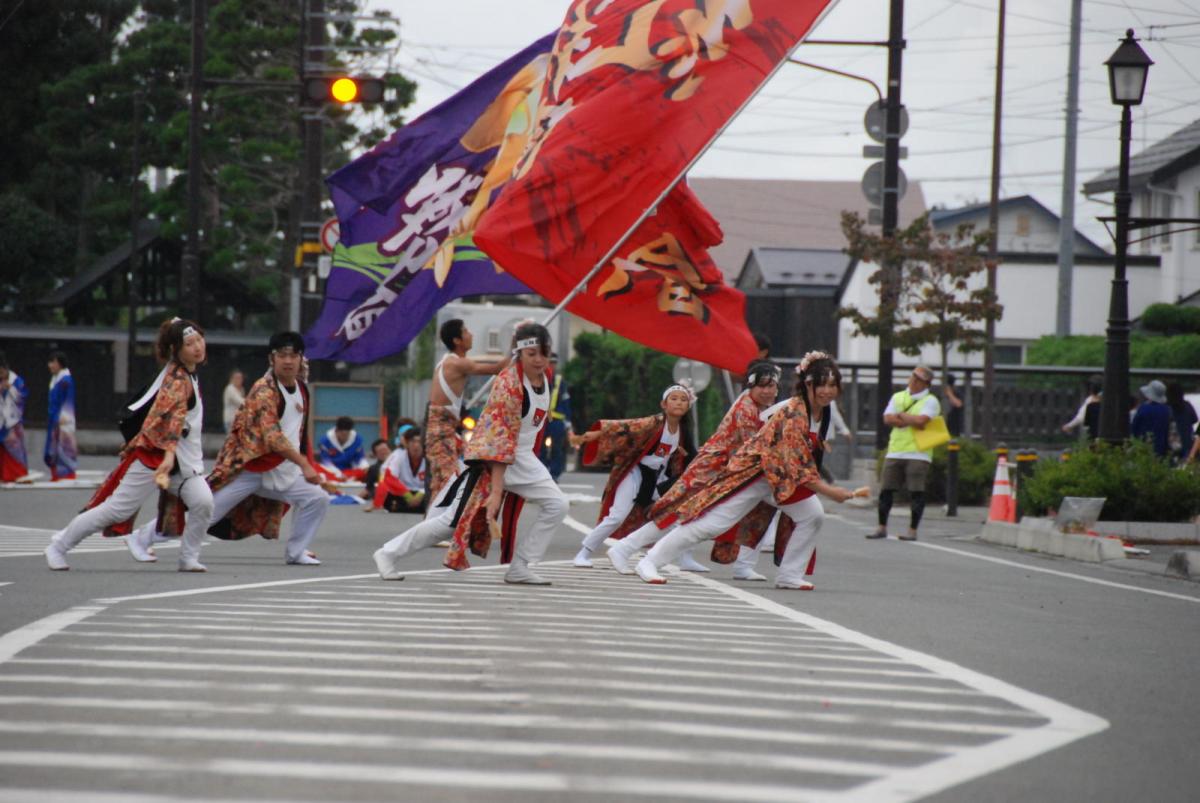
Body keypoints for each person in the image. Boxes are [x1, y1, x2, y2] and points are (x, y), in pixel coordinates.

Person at [634, 352, 858, 589]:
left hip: (779, 477)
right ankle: (650, 561)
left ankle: (789, 574)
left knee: (812, 515)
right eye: (822, 384)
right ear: (808, 384)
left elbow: (799, 461)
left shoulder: (822, 410)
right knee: (711, 524)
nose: (827, 391)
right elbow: (795, 463)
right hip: (753, 473)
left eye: (832, 385)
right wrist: (830, 491)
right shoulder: (794, 412)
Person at [374, 322, 567, 585]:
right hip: (489, 462)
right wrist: (496, 492)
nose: (539, 360)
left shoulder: (544, 377)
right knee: (450, 523)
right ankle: (388, 553)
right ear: (519, 353)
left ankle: (521, 565)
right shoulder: (509, 384)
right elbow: (499, 440)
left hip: (522, 458)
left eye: (544, 353)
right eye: (531, 354)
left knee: (558, 504)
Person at [125, 331, 330, 566]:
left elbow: (299, 435)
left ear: (301, 359)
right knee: (205, 513)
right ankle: (141, 537)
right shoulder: (265, 390)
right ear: (271, 358)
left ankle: (296, 552)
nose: (288, 361)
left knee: (317, 498)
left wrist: (308, 465)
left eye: (293, 356)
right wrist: (304, 464)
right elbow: (273, 437)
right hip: (249, 469)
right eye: (282, 355)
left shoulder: (301, 389)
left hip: (283, 471)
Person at [44, 319, 213, 572]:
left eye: (199, 339)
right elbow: (172, 420)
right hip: (156, 457)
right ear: (176, 350)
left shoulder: (187, 373)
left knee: (203, 502)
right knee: (115, 510)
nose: (198, 347)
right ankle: (58, 546)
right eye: (189, 344)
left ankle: (188, 557)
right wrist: (168, 455)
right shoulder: (178, 380)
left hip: (182, 463)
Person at [606, 360, 782, 579]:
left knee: (752, 510)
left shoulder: (762, 408)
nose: (767, 391)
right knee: (676, 514)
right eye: (762, 386)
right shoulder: (746, 408)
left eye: (771, 386)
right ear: (751, 386)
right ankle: (626, 548)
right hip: (711, 470)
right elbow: (753, 448)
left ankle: (746, 566)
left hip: (730, 473)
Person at [570, 384, 696, 569]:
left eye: (683, 400)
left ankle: (685, 559)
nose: (679, 403)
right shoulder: (653, 423)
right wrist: (598, 433)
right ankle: (583, 553)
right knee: (617, 516)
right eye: (674, 398)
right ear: (664, 404)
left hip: (657, 477)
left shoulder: (683, 431)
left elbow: (688, 456)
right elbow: (626, 428)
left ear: (688, 406)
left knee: (676, 515)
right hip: (635, 472)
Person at [425, 319, 510, 505]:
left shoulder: (449, 361)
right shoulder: (456, 363)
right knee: (447, 485)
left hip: (446, 429)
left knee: (446, 483)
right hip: (441, 431)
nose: (471, 334)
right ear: (457, 340)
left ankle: (437, 521)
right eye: (465, 331)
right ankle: (433, 523)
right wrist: (516, 348)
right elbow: (497, 368)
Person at [867, 365, 940, 542]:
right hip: (895, 451)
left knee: (916, 492)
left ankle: (912, 531)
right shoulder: (898, 396)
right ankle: (881, 527)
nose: (914, 381)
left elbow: (922, 421)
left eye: (919, 379)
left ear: (927, 384)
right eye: (913, 377)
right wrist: (910, 419)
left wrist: (901, 416)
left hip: (918, 453)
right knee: (886, 490)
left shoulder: (930, 400)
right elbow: (887, 418)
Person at [370, 427, 427, 513]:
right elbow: (389, 477)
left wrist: (421, 493)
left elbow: (435, 480)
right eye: (412, 441)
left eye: (419, 442)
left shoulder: (430, 458)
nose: (416, 445)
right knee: (388, 496)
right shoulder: (399, 455)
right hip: (403, 493)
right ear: (407, 443)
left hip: (423, 493)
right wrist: (407, 495)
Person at [44, 350, 77, 481]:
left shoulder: (65, 380)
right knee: (54, 446)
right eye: (50, 362)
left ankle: (67, 474)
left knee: (64, 445)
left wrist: (61, 417)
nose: (50, 365)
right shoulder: (56, 379)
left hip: (63, 419)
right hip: (54, 417)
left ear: (60, 364)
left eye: (53, 362)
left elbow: (68, 401)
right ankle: (56, 473)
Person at [540, 352, 572, 480]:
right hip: (542, 419)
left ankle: (554, 474)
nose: (551, 366)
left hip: (556, 420)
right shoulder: (539, 377)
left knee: (557, 448)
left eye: (553, 363)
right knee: (539, 447)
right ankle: (541, 473)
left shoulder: (559, 381)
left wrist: (568, 421)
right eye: (550, 363)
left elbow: (565, 401)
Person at [0, 351, 30, 482]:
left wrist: (11, 389)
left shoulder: (16, 380)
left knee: (15, 448)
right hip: (1, 419)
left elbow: (22, 396)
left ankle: (17, 473)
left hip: (13, 420)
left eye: (2, 372)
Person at [316, 415, 370, 481]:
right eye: (342, 434)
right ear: (336, 430)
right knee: (317, 469)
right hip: (330, 470)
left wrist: (365, 467)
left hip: (348, 471)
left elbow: (360, 458)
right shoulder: (325, 441)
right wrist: (339, 474)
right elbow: (325, 461)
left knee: (366, 471)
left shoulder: (357, 440)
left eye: (347, 434)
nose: (344, 437)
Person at [1131, 379, 1172, 458]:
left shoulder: (1143, 409)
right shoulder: (1166, 410)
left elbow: (1134, 428)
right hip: (1160, 449)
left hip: (1143, 447)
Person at [1062, 375, 1102, 440]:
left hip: (1095, 433)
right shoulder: (1112, 400)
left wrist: (1069, 426)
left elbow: (1081, 417)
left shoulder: (1090, 402)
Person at [1166, 383, 1197, 463]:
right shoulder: (1187, 405)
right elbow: (1195, 419)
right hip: (1187, 443)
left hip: (1172, 446)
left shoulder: (1167, 408)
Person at [362, 438, 392, 502]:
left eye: (385, 449)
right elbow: (369, 488)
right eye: (380, 451)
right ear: (375, 455)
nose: (383, 453)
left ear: (390, 450)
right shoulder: (373, 469)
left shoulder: (400, 464)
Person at [942, 373, 964, 438]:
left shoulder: (956, 393)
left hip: (954, 427)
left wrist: (949, 393)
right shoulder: (942, 394)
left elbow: (959, 404)